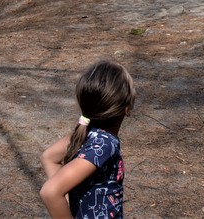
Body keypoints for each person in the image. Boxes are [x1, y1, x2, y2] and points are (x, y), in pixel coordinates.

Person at [39, 60, 136, 219]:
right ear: (127, 108)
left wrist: (68, 203)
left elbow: (49, 157)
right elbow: (50, 192)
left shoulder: (88, 134)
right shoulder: (105, 143)